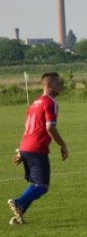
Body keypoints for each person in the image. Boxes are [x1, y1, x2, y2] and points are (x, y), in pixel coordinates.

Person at [7, 72, 69, 225]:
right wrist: (63, 144)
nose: (60, 86)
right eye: (57, 84)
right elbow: (50, 127)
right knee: (42, 186)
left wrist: (22, 151)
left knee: (35, 183)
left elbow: (28, 127)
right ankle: (18, 202)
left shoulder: (34, 103)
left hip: (26, 146)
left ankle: (19, 215)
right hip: (37, 148)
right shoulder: (50, 102)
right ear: (48, 85)